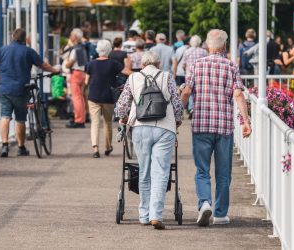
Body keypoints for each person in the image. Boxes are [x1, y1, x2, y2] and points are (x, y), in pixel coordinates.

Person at [181, 29, 251, 227]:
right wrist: (246, 121)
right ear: (225, 46)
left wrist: (178, 115)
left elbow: (186, 91)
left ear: (207, 45)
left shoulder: (196, 65)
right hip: (223, 127)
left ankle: (204, 203)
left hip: (201, 125)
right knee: (223, 172)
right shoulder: (231, 66)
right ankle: (220, 214)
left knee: (202, 170)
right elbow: (238, 94)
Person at [115, 51, 183, 230]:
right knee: (160, 173)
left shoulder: (133, 78)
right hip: (165, 128)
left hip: (140, 127)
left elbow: (122, 106)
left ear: (142, 64)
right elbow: (177, 104)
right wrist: (178, 121)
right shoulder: (167, 77)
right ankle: (156, 215)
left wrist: (122, 119)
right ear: (158, 64)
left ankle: (144, 215)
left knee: (144, 171)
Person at [0, 28, 60, 157]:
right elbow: (43, 65)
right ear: (24, 39)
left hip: (5, 89)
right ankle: (21, 147)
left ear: (12, 36)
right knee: (20, 119)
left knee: (5, 116)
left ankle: (5, 146)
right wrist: (54, 70)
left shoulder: (2, 50)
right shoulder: (28, 51)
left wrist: (0, 79)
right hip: (21, 89)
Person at [85, 40, 126, 158]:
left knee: (95, 122)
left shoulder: (90, 64)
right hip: (108, 96)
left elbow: (86, 81)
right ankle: (107, 147)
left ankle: (95, 148)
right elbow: (124, 71)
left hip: (93, 96)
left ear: (98, 50)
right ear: (109, 50)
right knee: (107, 122)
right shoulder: (113, 63)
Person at [65, 28, 89, 128]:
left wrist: (66, 64)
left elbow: (70, 63)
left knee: (76, 98)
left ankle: (78, 120)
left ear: (75, 37)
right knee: (82, 98)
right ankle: (82, 118)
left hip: (76, 73)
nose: (70, 37)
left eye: (71, 35)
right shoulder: (83, 48)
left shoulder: (75, 49)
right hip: (83, 73)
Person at [182, 35, 208, 119]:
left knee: (190, 92)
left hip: (189, 74)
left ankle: (191, 108)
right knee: (199, 93)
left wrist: (185, 70)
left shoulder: (187, 51)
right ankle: (198, 109)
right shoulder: (203, 52)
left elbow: (183, 64)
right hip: (201, 75)